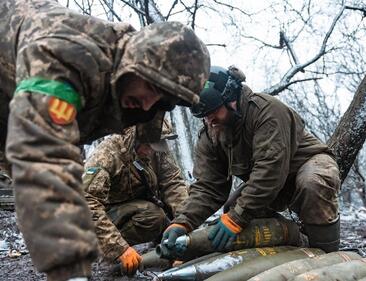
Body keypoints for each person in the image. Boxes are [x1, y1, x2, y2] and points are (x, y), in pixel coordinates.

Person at [0, 0, 210, 280]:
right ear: (134, 62)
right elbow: (44, 158)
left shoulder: (129, 103)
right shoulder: (68, 56)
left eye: (162, 99)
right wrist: (72, 269)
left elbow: (172, 184)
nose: (148, 104)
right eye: (150, 86)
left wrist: (185, 230)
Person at [163, 66, 341, 255]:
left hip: (308, 165)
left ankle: (328, 255)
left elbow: (270, 170)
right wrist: (183, 221)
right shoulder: (211, 134)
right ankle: (294, 239)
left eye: (213, 111)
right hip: (272, 184)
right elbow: (209, 187)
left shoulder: (267, 111)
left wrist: (237, 218)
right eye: (204, 115)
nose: (209, 120)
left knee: (312, 183)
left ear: (230, 99)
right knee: (234, 208)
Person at [83, 120, 188, 275]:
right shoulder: (107, 155)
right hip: (105, 214)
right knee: (153, 215)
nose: (151, 152)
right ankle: (102, 251)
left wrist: (185, 225)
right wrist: (119, 248)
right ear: (136, 139)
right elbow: (87, 202)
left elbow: (173, 183)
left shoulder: (157, 148)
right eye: (148, 147)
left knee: (189, 194)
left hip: (142, 202)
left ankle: (165, 241)